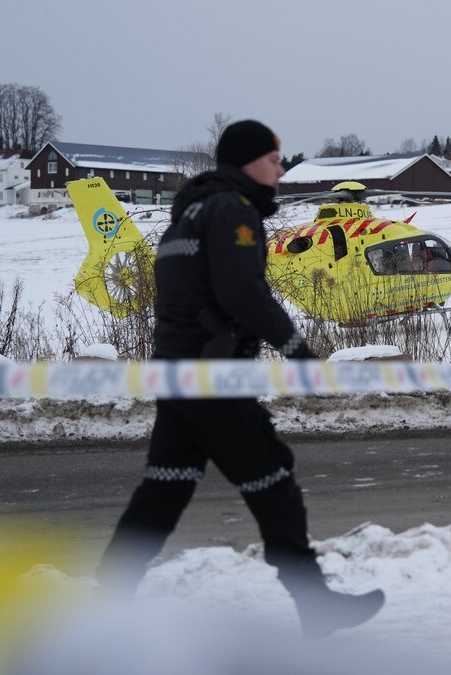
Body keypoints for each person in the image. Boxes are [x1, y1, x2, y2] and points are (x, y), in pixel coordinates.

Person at [97, 120, 383, 638]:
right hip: (212, 378)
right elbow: (242, 292)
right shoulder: (234, 211)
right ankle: (314, 603)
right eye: (274, 160)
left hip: (177, 374)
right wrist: (297, 349)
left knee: (163, 491)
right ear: (250, 162)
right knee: (273, 477)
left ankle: (104, 604)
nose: (280, 170)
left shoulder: (188, 215)